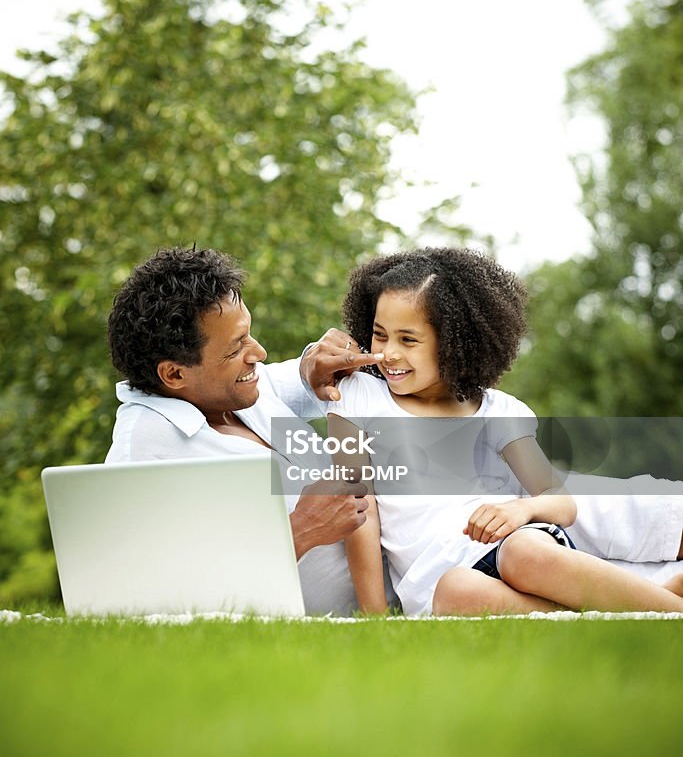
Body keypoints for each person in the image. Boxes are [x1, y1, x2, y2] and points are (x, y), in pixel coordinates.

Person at [324, 247, 683, 616]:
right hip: (435, 578)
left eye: (408, 340)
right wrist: (374, 614)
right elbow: (358, 509)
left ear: (456, 343)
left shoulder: (498, 410)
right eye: (380, 335)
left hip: (512, 545)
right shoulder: (357, 397)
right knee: (457, 590)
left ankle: (663, 610)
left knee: (525, 553)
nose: (388, 353)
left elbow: (560, 500)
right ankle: (656, 604)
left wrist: (521, 510)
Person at [104, 246, 386, 615]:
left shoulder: (236, 389)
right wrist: (300, 530)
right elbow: (143, 604)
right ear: (174, 374)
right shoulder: (142, 452)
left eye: (249, 334)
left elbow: (296, 375)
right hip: (321, 642)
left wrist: (315, 364)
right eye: (237, 347)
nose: (260, 352)